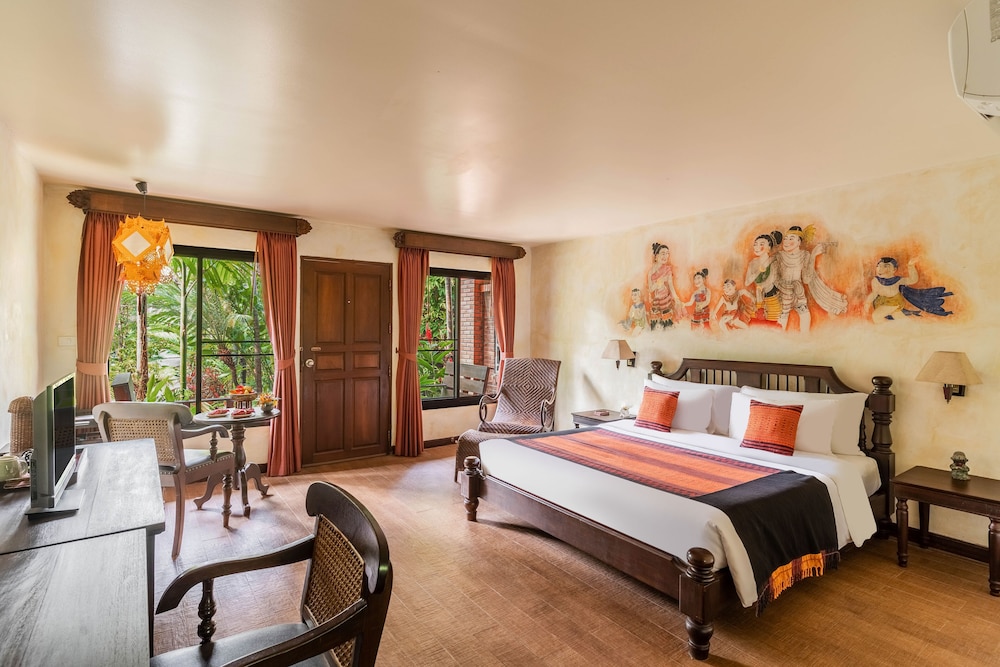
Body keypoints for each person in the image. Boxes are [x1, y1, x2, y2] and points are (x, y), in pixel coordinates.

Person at [773, 225, 847, 331]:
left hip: (799, 293)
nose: (786, 241)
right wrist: (785, 287)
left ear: (799, 242)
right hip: (783, 294)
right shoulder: (779, 256)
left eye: (791, 238)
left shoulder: (805, 255)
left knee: (805, 317)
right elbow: (774, 279)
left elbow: (806, 279)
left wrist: (813, 256)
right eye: (785, 238)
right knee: (781, 323)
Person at [863, 256, 953, 321]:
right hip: (880, 302)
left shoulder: (897, 280)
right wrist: (867, 303)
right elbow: (874, 293)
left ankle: (883, 331)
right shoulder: (875, 281)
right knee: (900, 318)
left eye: (886, 266)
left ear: (894, 270)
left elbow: (913, 280)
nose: (880, 268)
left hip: (894, 302)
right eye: (879, 265)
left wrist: (911, 266)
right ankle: (908, 329)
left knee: (876, 316)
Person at [744, 231, 782, 324]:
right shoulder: (753, 263)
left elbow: (773, 281)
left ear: (769, 247)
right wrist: (758, 271)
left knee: (772, 325)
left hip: (772, 299)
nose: (757, 247)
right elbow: (747, 282)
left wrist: (760, 289)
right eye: (755, 244)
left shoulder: (774, 262)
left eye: (761, 244)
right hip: (758, 301)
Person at [647, 243, 680, 329]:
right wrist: (658, 283)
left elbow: (671, 286)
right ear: (656, 256)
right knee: (656, 326)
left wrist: (676, 299)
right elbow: (650, 289)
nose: (665, 256)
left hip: (666, 301)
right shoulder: (650, 272)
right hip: (656, 301)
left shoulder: (667, 269)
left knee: (667, 325)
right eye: (663, 253)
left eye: (667, 253)